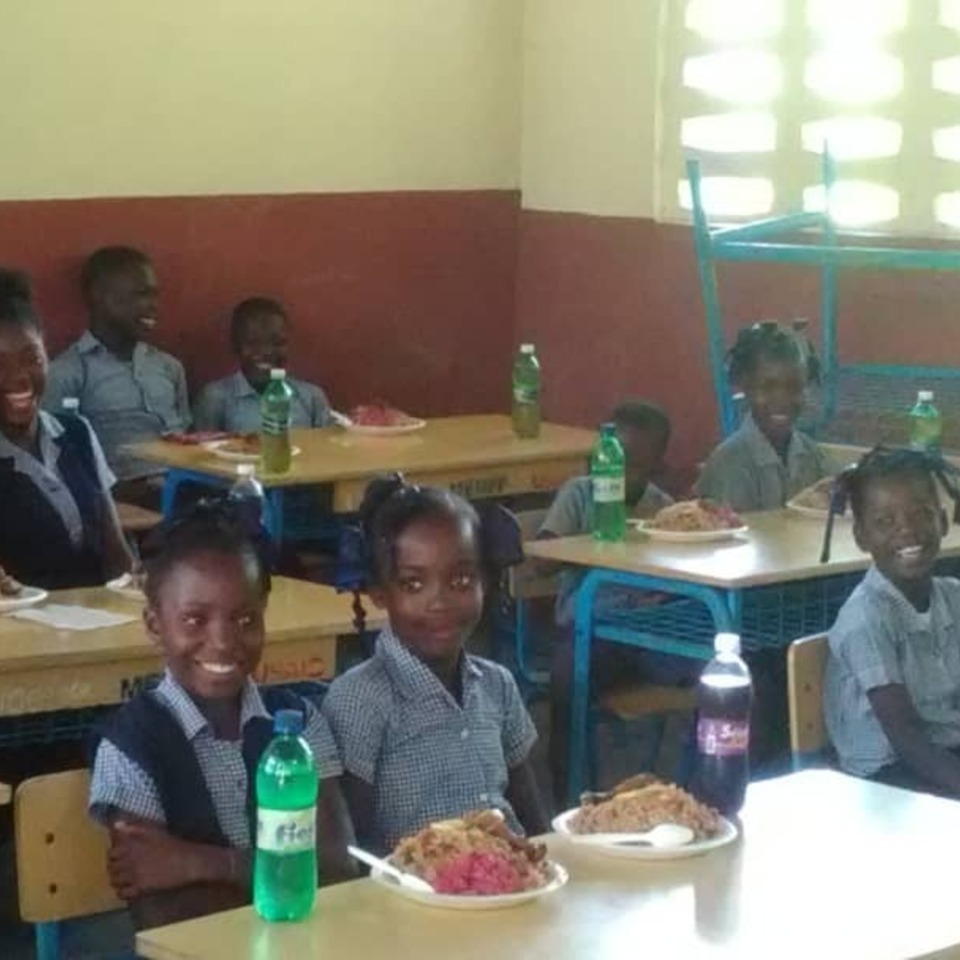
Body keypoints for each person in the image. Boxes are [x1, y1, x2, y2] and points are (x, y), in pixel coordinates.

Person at [88, 505, 355, 930]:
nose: (223, 642)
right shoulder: (131, 746)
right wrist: (280, 878)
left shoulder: (299, 724)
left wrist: (201, 863)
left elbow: (338, 871)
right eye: (195, 619)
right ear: (155, 626)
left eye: (245, 619)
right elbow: (162, 915)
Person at [322, 475, 548, 855]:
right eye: (413, 584)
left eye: (461, 580)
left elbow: (534, 822)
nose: (439, 602)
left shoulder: (498, 684)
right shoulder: (359, 700)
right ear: (379, 592)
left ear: (485, 582)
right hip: (414, 897)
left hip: (507, 888)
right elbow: (356, 853)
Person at [537, 401, 696, 804]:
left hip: (646, 634)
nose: (620, 474)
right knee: (568, 677)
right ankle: (570, 792)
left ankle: (685, 791)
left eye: (635, 465)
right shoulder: (580, 494)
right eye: (611, 461)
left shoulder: (662, 509)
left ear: (657, 465)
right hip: (589, 629)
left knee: (710, 672)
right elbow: (539, 562)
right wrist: (599, 537)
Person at [824, 446, 960, 798]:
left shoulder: (953, 597)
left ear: (943, 521)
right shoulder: (866, 619)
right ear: (861, 537)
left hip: (942, 754)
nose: (908, 531)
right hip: (884, 778)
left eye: (921, 514)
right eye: (885, 522)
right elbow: (907, 741)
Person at [0, 267, 131, 589]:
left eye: (32, 358)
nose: (19, 377)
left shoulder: (77, 433)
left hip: (97, 625)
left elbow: (117, 558)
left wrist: (137, 584)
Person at [44, 246, 190, 505]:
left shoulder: (169, 367)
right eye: (141, 295)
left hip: (185, 486)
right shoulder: (68, 373)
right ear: (99, 297)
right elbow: (56, 459)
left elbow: (190, 437)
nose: (153, 305)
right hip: (120, 498)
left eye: (155, 295)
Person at [698, 322, 827, 511]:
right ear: (745, 386)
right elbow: (731, 536)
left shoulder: (814, 457)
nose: (782, 399)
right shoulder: (729, 463)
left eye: (794, 387)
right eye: (767, 387)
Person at [193, 297, 332, 432]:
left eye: (278, 343)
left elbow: (329, 450)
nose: (266, 351)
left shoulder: (311, 397)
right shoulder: (216, 398)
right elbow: (202, 449)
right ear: (236, 346)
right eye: (253, 343)